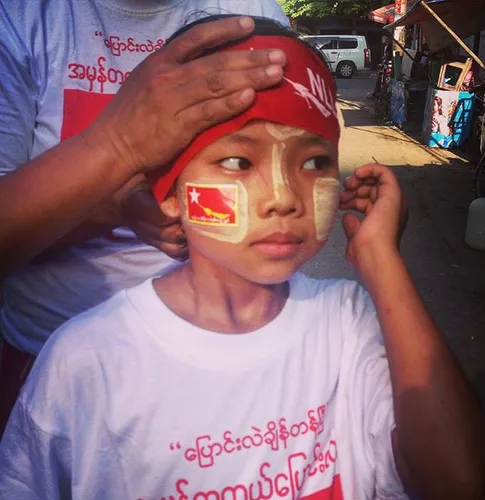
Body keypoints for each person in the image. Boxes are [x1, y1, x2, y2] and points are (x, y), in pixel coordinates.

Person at [0, 16, 485, 500]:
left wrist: (383, 262)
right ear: (168, 192)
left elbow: (464, 483)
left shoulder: (348, 323)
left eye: (314, 162)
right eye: (237, 161)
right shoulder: (86, 362)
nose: (282, 198)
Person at [0, 0, 289, 435]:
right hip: (42, 358)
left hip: (218, 362)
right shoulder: (23, 17)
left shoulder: (252, 10)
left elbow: (281, 172)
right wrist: (118, 166)